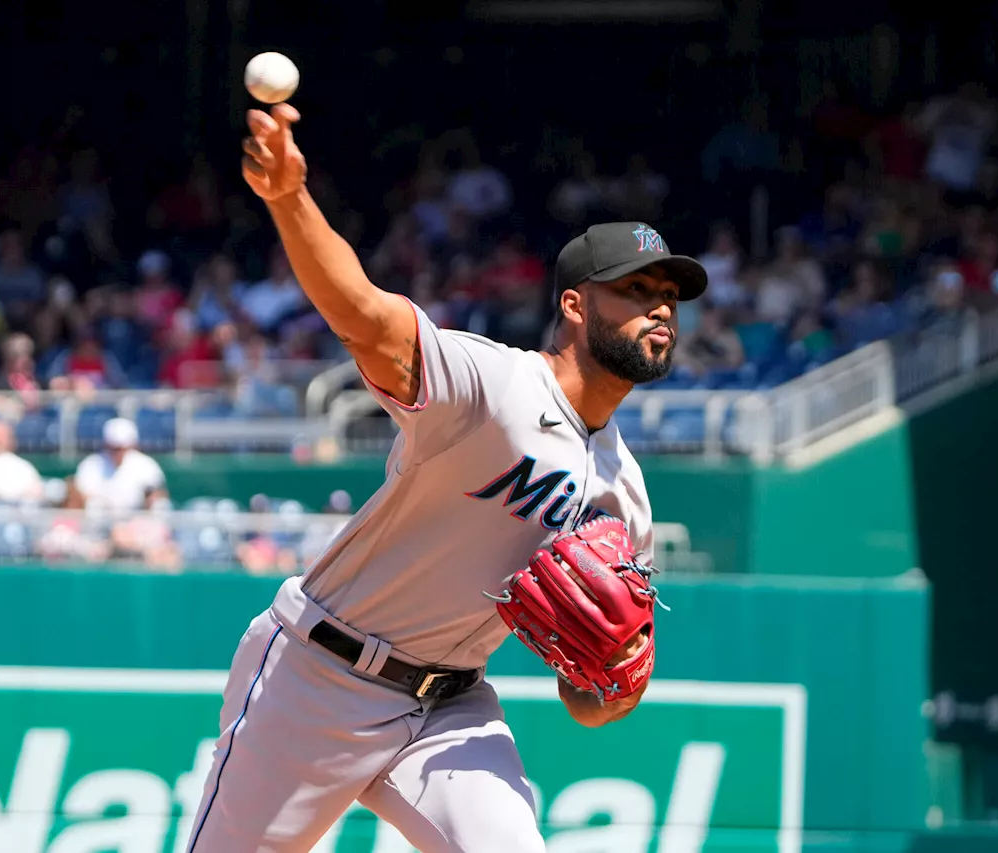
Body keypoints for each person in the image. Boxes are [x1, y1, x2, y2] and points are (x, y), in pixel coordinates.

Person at [185, 103, 708, 852]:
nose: (660, 305)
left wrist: (614, 682)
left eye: (669, 294)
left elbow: (590, 700)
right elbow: (363, 317)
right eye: (635, 289)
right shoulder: (494, 385)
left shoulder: (623, 492)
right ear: (573, 304)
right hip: (318, 675)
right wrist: (288, 198)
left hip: (451, 707)